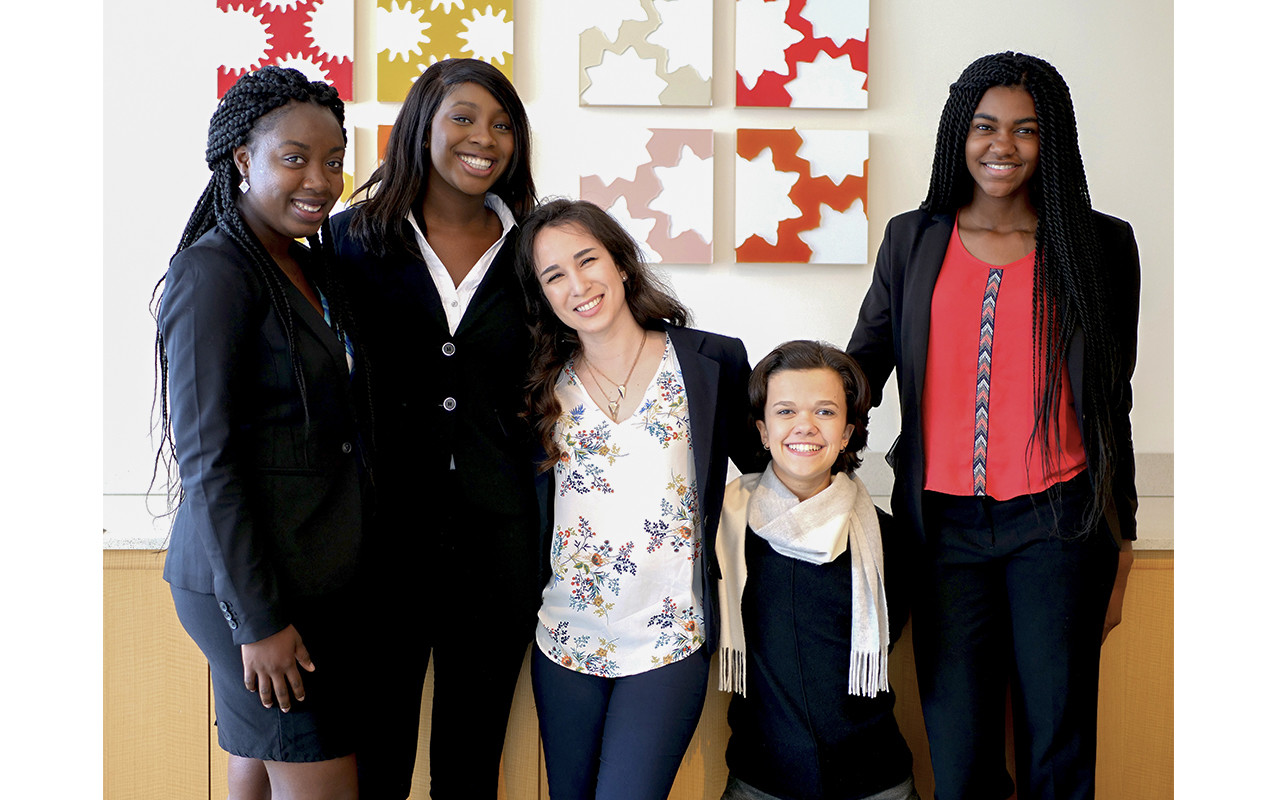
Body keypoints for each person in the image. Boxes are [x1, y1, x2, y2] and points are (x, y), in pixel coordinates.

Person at [846, 52, 1140, 800]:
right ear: (958, 135)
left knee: (1058, 739)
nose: (1001, 144)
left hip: (1061, 526)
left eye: (1025, 129)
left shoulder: (1102, 247)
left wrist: (1124, 540)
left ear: (1053, 142)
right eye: (983, 126)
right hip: (941, 533)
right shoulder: (913, 241)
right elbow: (863, 369)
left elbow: (1113, 401)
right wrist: (788, 444)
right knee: (962, 743)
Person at [153, 66, 370, 800]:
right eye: (295, 158)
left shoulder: (308, 267)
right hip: (248, 588)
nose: (320, 178)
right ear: (244, 160)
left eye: (334, 160)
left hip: (306, 573)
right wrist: (260, 622)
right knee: (320, 776)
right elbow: (208, 463)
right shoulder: (215, 273)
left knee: (257, 768)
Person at [328, 58, 540, 800]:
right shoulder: (349, 240)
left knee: (470, 759)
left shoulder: (538, 252)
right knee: (374, 753)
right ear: (421, 124)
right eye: (464, 117)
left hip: (501, 542)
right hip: (379, 541)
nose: (486, 138)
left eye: (504, 124)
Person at [515, 198, 761, 800]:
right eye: (555, 276)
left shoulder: (710, 362)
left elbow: (764, 469)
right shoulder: (539, 385)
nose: (578, 285)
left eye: (587, 260)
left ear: (621, 263)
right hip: (565, 638)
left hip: (669, 634)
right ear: (543, 295)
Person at [716, 340, 920, 800]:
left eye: (825, 412)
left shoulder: (886, 538)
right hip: (759, 781)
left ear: (847, 433)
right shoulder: (726, 527)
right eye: (785, 411)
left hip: (876, 782)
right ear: (763, 431)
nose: (804, 425)